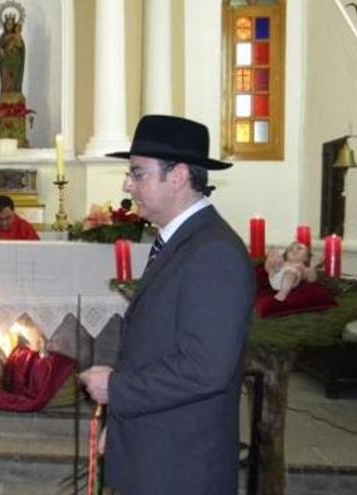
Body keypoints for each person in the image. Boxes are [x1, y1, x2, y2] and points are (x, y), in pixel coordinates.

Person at [78, 115, 255, 494]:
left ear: (177, 177)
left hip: (182, 468)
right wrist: (121, 422)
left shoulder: (213, 252)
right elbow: (158, 348)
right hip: (156, 452)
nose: (127, 185)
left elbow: (205, 368)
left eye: (138, 173)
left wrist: (116, 388)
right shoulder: (182, 242)